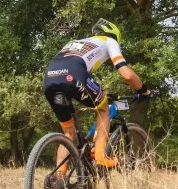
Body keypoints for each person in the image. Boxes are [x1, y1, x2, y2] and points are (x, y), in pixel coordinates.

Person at [42, 18, 149, 170]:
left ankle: (59, 179)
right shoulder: (109, 41)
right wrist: (144, 91)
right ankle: (100, 157)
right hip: (73, 74)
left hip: (50, 78)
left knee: (68, 134)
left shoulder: (75, 42)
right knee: (103, 107)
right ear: (114, 35)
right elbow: (127, 75)